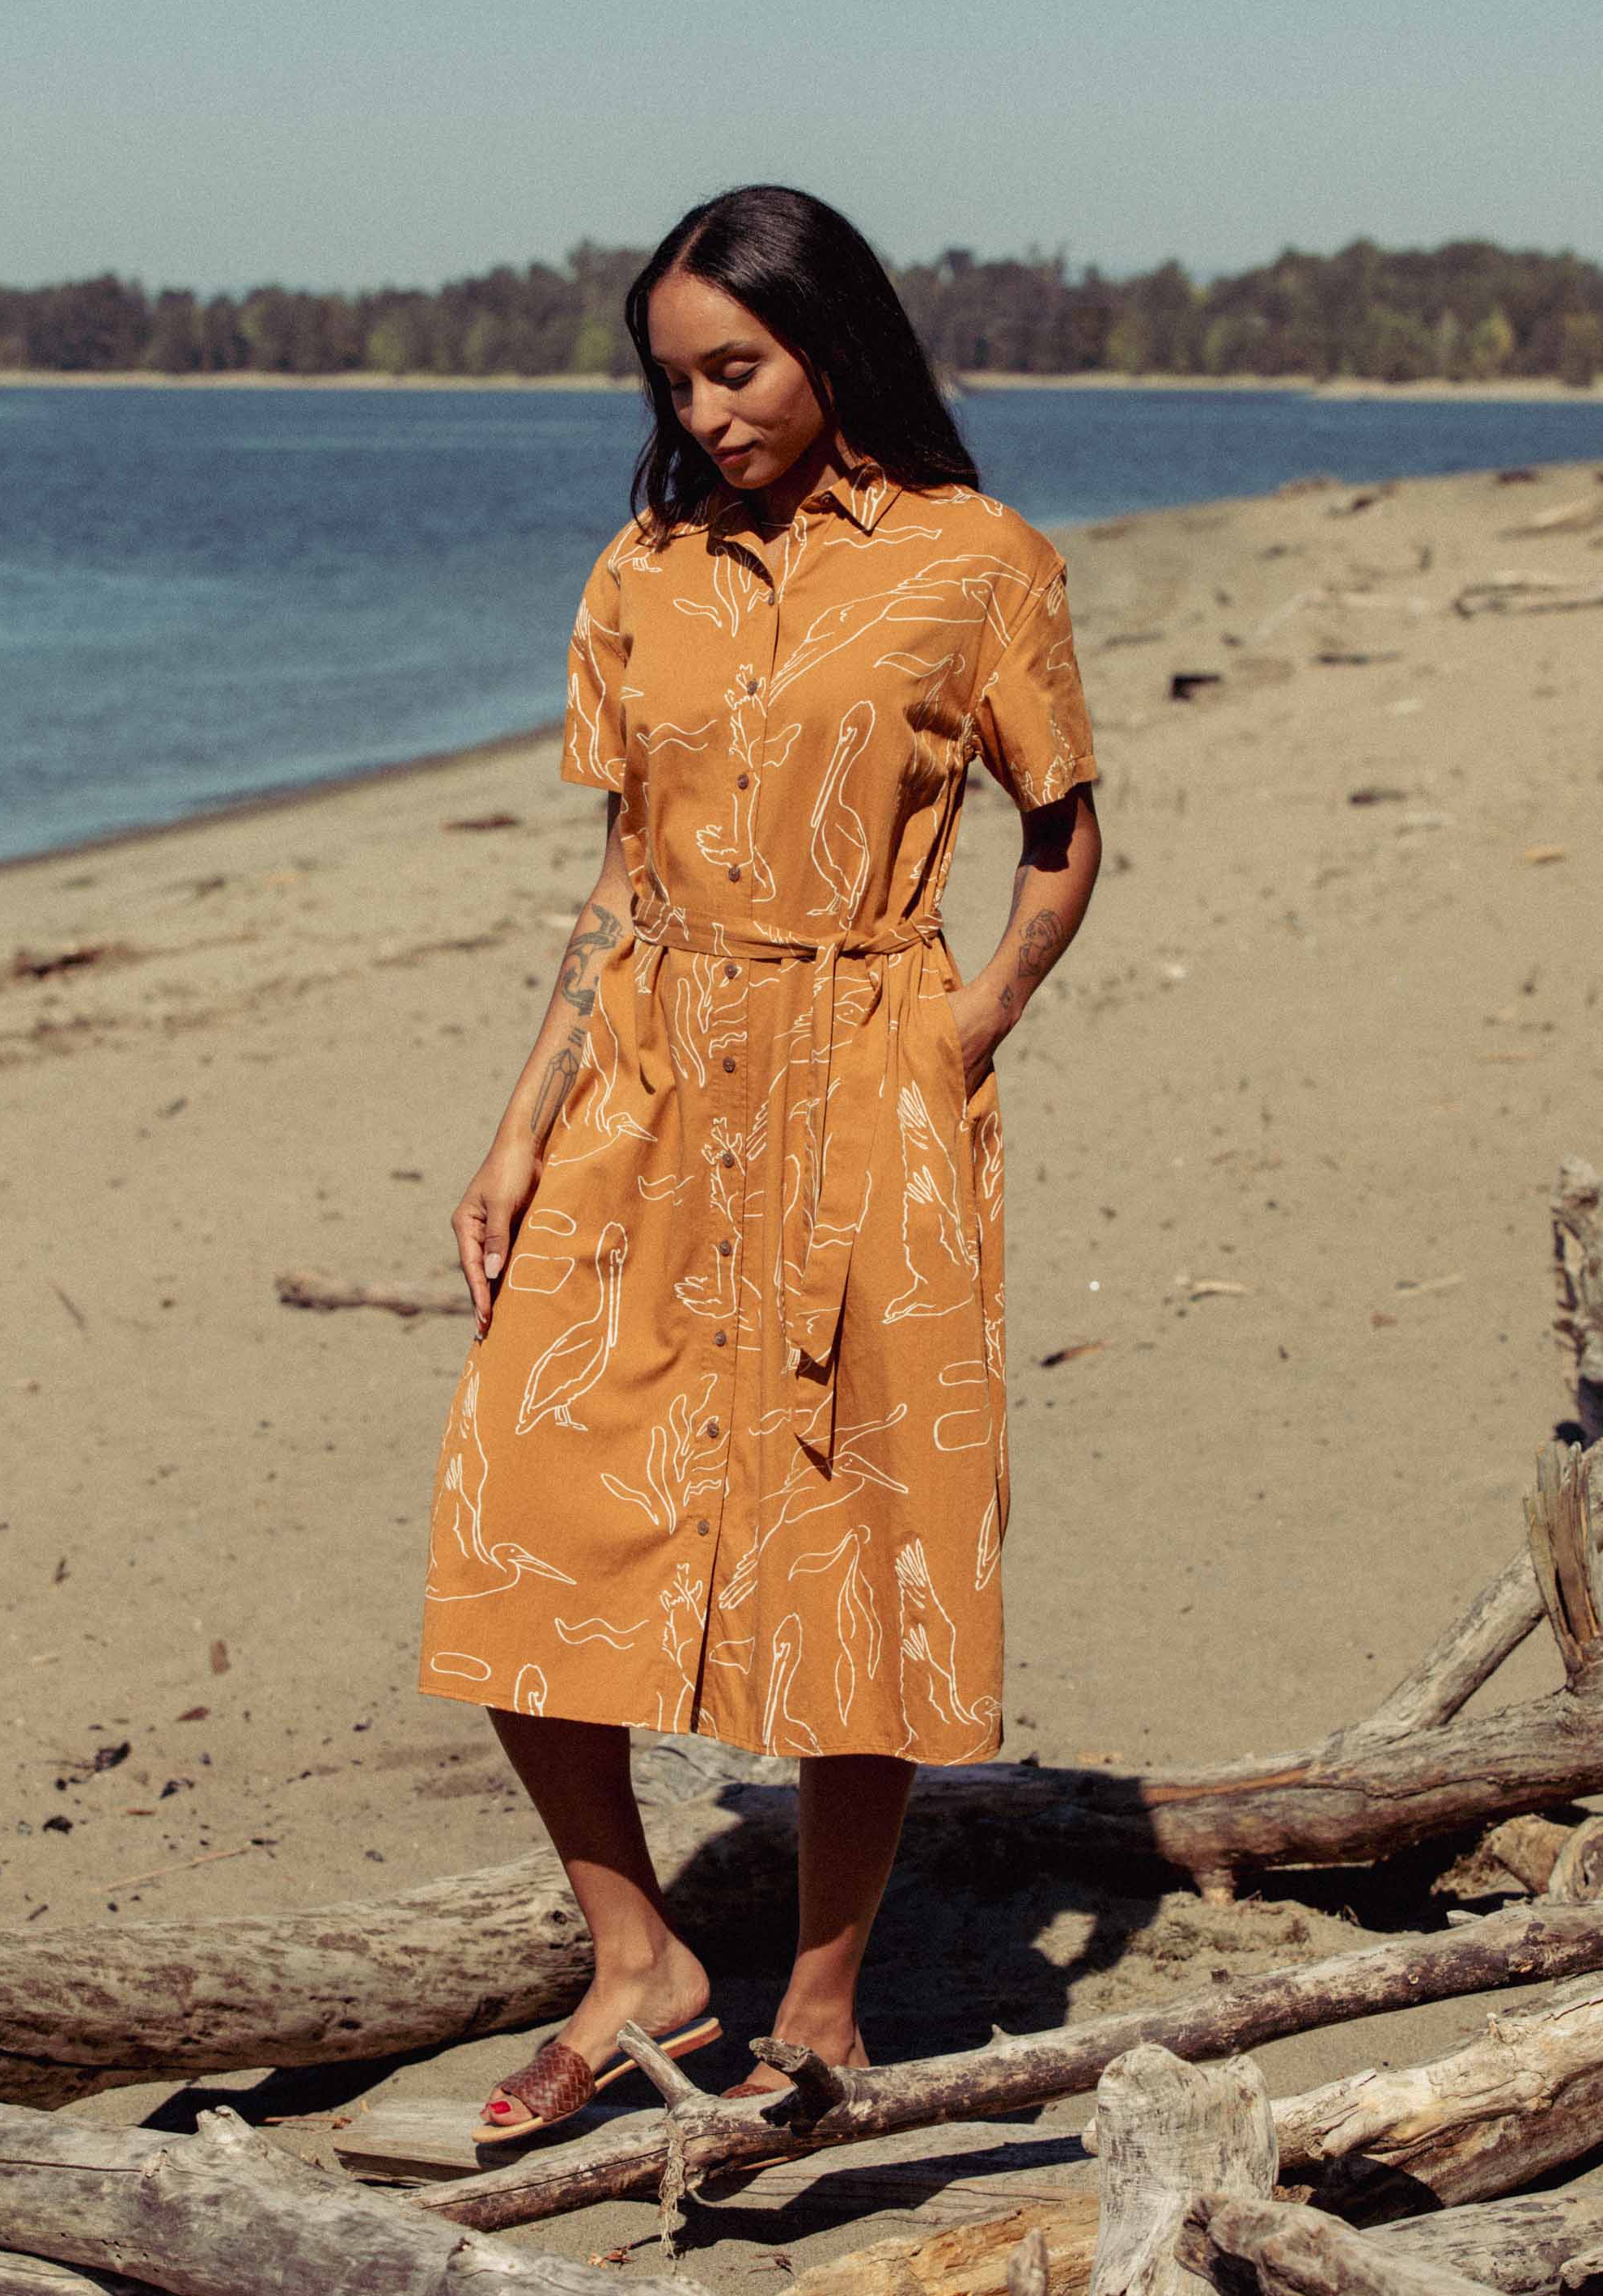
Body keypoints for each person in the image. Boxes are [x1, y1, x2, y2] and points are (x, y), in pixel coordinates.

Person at [417, 184, 1102, 2146]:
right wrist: (515, 1126)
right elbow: (619, 877)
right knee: (520, 1506)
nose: (709, 412)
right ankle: (635, 1954)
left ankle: (819, 2001)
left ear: (829, 342)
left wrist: (954, 1036)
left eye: (740, 366)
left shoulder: (978, 563)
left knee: (860, 1541)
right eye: (677, 379)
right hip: (652, 1084)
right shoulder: (644, 572)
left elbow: (1060, 836)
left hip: (869, 1081)